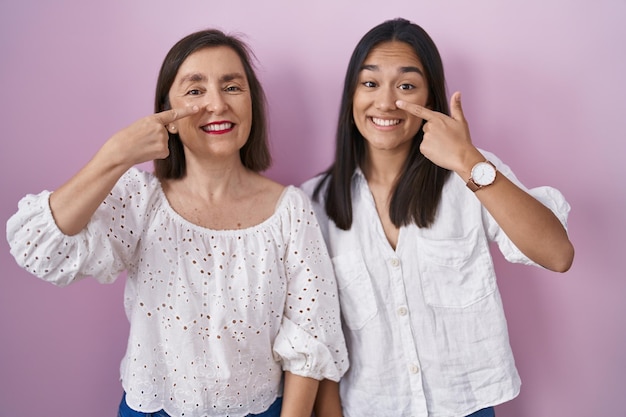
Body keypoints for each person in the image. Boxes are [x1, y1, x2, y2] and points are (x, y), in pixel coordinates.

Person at [6, 28, 348, 417]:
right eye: (195, 90)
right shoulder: (140, 199)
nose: (217, 105)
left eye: (232, 87)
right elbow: (38, 248)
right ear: (166, 111)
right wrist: (114, 156)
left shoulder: (290, 210)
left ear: (252, 101)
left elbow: (310, 337)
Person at [303, 18, 575, 417]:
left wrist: (468, 160)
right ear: (351, 95)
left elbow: (557, 254)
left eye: (407, 85)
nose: (386, 102)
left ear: (430, 97)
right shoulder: (313, 203)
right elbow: (319, 338)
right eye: (370, 83)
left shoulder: (474, 175)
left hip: (466, 406)